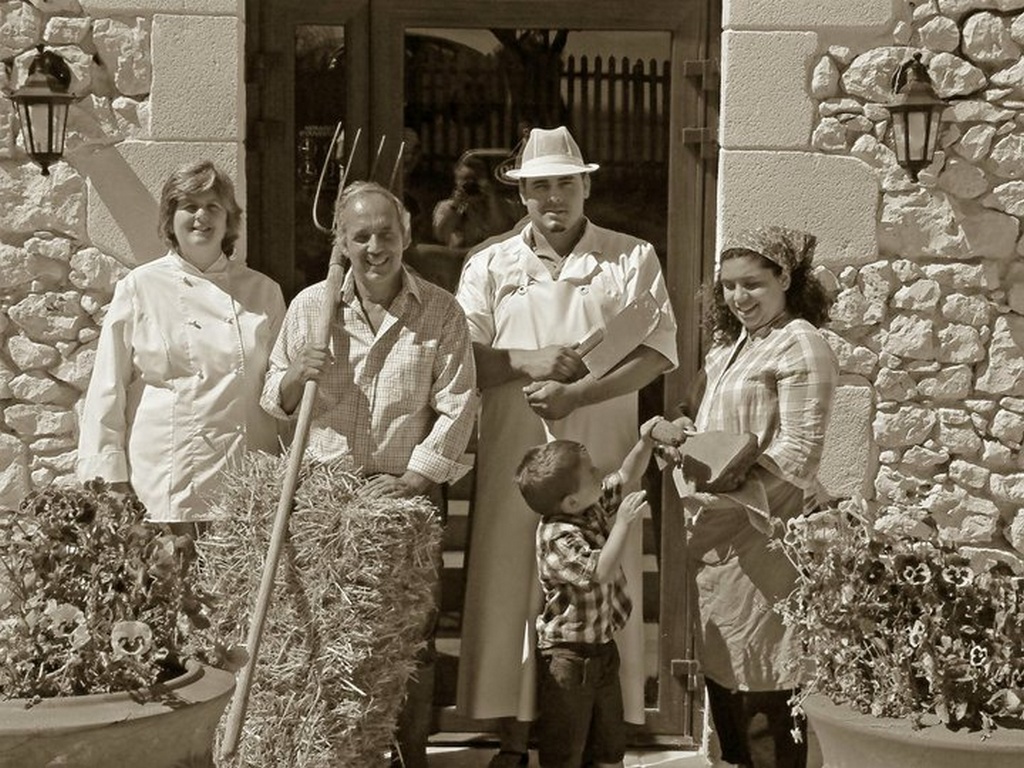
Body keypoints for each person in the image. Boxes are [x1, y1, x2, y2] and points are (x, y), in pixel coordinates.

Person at [455, 126, 678, 766]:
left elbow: (658, 353)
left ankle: (592, 736)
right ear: (521, 194)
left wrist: (578, 395)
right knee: (511, 584)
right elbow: (464, 357)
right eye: (538, 186)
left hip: (599, 454)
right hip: (514, 458)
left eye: (564, 182)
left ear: (586, 185)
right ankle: (512, 735)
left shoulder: (630, 258)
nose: (553, 197)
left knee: (595, 585)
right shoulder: (490, 263)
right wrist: (530, 363)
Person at [260, 180, 478, 768]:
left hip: (405, 493)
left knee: (409, 636)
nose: (375, 246)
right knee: (330, 631)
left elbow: (460, 404)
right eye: (362, 236)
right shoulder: (311, 306)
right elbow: (271, 398)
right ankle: (338, 753)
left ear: (406, 234)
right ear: (342, 241)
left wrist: (415, 478)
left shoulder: (441, 310)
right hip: (325, 496)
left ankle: (410, 754)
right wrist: (292, 376)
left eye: (386, 233)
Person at [667, 225, 838, 768]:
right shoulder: (728, 348)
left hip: (769, 533)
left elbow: (801, 452)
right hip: (717, 535)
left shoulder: (801, 343)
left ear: (785, 279)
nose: (739, 298)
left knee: (768, 678)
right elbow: (698, 417)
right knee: (727, 673)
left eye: (753, 285)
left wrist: (730, 487)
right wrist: (673, 432)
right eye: (729, 287)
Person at [77, 160, 286, 532]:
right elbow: (107, 389)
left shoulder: (264, 292)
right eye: (189, 206)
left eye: (213, 206)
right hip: (164, 487)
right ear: (170, 218)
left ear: (229, 221)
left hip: (249, 487)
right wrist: (111, 478)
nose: (201, 216)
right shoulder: (140, 288)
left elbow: (281, 391)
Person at [515, 416, 662, 768]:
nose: (600, 474)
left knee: (610, 741)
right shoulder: (556, 536)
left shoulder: (588, 506)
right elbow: (601, 571)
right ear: (569, 501)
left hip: (600, 649)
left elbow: (625, 477)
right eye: (592, 472)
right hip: (566, 658)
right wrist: (624, 524)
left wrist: (645, 443)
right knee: (565, 746)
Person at [432, 154, 521, 250]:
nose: (472, 184)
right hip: (461, 257)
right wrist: (455, 205)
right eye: (466, 179)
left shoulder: (502, 205)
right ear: (456, 181)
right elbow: (440, 235)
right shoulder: (446, 207)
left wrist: (492, 198)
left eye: (476, 179)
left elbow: (503, 231)